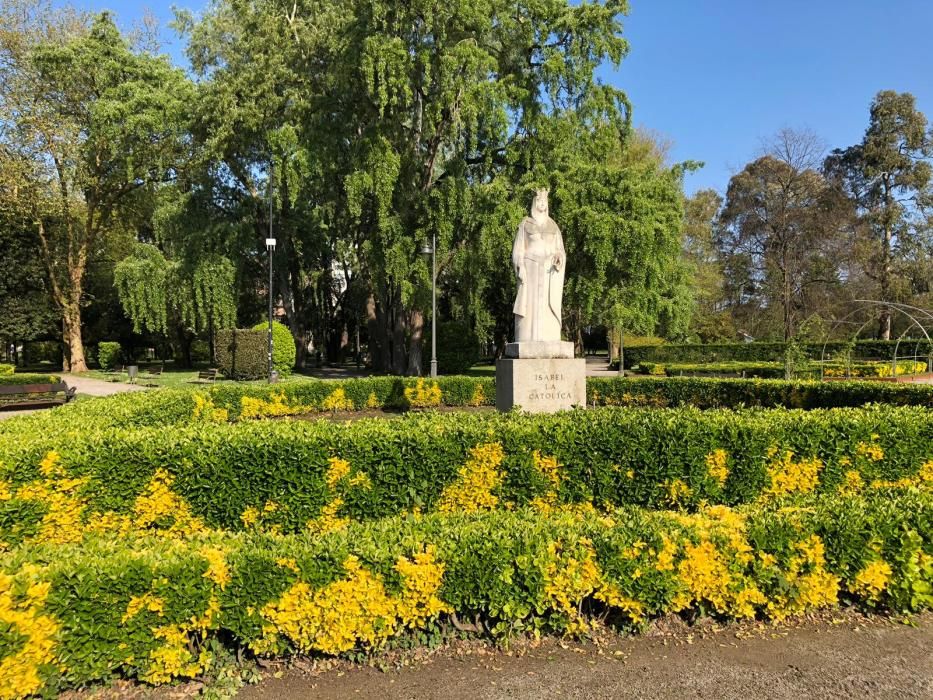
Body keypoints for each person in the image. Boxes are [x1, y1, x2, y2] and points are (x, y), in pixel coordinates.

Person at [511, 188, 566, 342]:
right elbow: (518, 249)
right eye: (539, 201)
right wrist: (520, 265)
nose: (542, 203)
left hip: (548, 271)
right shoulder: (525, 224)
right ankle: (526, 337)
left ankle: (550, 337)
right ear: (534, 203)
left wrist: (559, 258)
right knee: (528, 306)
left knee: (547, 306)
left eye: (544, 201)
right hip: (530, 270)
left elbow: (560, 250)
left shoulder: (553, 226)